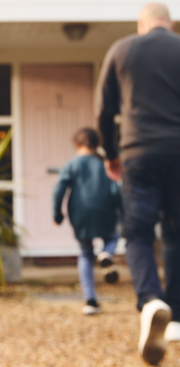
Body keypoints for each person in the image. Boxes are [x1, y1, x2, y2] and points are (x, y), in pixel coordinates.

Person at [96, 3, 180, 364]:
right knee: (177, 234)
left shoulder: (122, 49)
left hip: (138, 155)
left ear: (141, 25)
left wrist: (111, 153)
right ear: (170, 23)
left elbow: (103, 109)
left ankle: (151, 299)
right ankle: (175, 315)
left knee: (139, 234)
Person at [53, 127, 122, 316]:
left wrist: (57, 214)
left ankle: (90, 301)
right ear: (97, 144)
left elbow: (59, 190)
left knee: (85, 253)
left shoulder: (71, 165)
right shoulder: (105, 164)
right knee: (113, 236)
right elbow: (116, 189)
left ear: (77, 144)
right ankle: (106, 254)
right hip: (105, 210)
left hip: (80, 213)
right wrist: (121, 211)